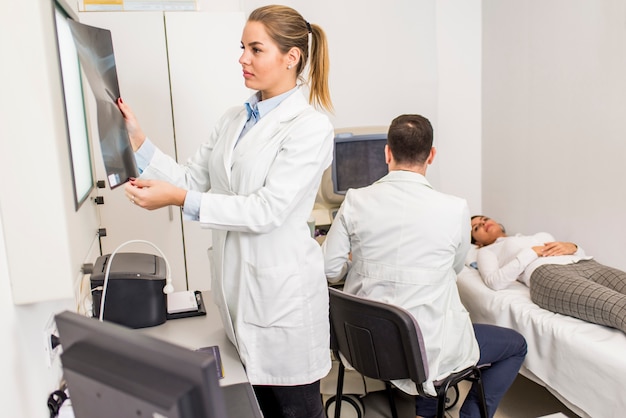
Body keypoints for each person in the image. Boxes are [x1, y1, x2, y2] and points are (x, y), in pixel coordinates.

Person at [117, 5, 334, 417]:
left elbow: (266, 210)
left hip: (282, 308)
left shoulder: (309, 127)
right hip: (238, 303)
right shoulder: (235, 119)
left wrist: (179, 200)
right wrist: (139, 141)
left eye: (256, 49)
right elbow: (192, 179)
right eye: (242, 48)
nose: (242, 59)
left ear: (292, 58)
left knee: (295, 410)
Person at [322, 114, 527, 418]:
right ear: (431, 155)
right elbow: (454, 268)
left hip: (362, 348)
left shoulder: (355, 201)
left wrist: (360, 264)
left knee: (428, 336)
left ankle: (426, 408)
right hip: (423, 353)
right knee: (515, 345)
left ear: (387, 153)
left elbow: (328, 269)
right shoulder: (455, 208)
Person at [471, 215, 626, 334]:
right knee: (619, 305)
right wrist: (531, 252)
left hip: (585, 263)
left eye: (484, 219)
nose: (484, 223)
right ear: (477, 242)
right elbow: (494, 282)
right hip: (548, 274)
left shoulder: (529, 236)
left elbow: (569, 252)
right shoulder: (487, 251)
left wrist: (574, 247)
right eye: (477, 227)